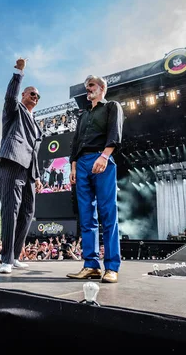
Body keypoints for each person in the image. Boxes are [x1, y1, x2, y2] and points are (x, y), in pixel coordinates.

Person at [66, 75, 124, 283]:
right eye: (86, 86)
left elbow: (114, 132)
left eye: (90, 85)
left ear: (102, 88)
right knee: (87, 217)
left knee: (108, 214)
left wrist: (105, 156)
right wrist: (73, 166)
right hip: (81, 164)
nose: (87, 89)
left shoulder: (111, 107)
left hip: (101, 158)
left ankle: (111, 267)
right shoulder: (83, 115)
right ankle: (90, 265)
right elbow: (75, 142)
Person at [0, 58, 43, 274]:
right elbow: (10, 97)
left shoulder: (36, 124)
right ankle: (5, 258)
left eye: (38, 96)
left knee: (27, 213)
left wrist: (38, 176)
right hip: (12, 164)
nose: (35, 97)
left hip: (30, 172)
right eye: (32, 93)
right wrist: (19, 73)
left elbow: (34, 151)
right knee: (10, 211)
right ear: (24, 95)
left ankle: (14, 256)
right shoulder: (14, 111)